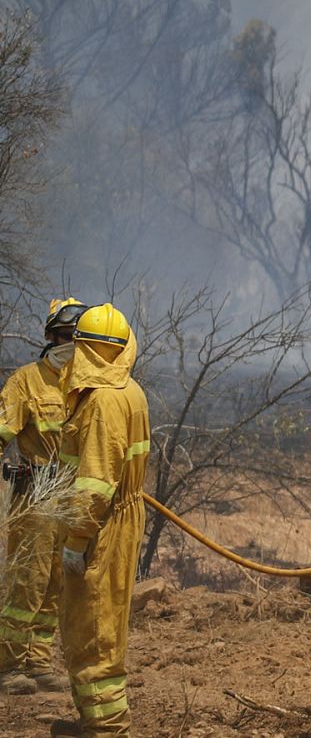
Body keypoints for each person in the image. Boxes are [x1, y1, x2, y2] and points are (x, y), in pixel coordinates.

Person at [55, 303, 149, 736]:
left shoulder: (102, 402)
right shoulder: (129, 390)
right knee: (99, 623)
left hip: (100, 526)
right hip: (117, 517)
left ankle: (107, 728)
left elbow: (94, 486)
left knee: (94, 630)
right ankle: (94, 721)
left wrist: (76, 541)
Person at [0, 298, 88, 694]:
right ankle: (8, 665)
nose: (72, 345)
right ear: (51, 336)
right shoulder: (25, 381)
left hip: (71, 495)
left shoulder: (85, 385)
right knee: (28, 580)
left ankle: (37, 663)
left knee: (57, 581)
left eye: (78, 338)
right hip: (35, 495)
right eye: (66, 336)